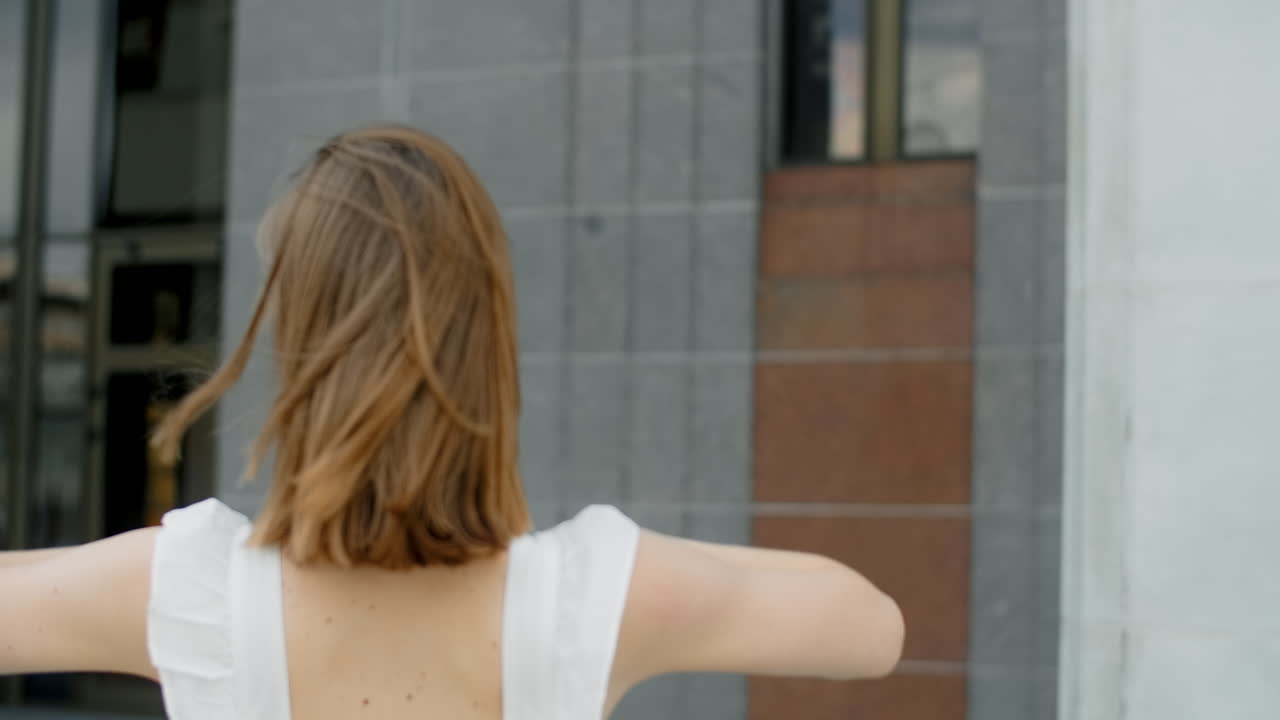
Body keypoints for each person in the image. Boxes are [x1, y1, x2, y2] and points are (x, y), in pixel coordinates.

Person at [0, 126, 903, 719]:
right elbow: (872, 627)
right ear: (491, 346)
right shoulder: (592, 600)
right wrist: (636, 562)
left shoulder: (187, 593)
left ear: (302, 343)